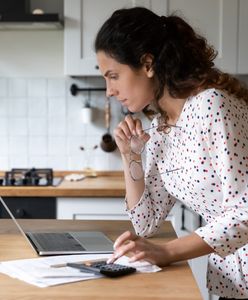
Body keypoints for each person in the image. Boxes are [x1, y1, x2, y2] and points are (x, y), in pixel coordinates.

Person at [94, 6, 248, 300]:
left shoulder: (210, 106)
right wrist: (131, 157)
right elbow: (146, 223)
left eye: (113, 75)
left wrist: (166, 252)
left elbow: (245, 212)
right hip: (233, 278)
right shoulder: (162, 126)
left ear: (148, 64)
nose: (109, 90)